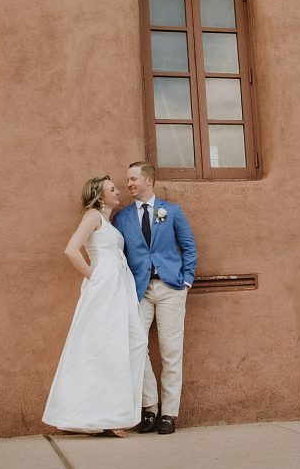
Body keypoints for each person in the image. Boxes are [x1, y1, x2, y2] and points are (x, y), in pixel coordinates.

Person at [42, 176, 147, 436]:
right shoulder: (93, 216)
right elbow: (71, 250)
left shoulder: (108, 222)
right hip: (105, 286)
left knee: (134, 342)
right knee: (106, 345)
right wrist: (93, 276)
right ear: (101, 197)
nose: (118, 191)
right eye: (113, 189)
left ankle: (115, 412)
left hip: (119, 285)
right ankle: (107, 418)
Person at [113, 161, 197, 435]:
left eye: (133, 179)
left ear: (149, 180)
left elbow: (188, 246)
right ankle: (149, 407)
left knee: (171, 352)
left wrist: (186, 280)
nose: (129, 184)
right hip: (139, 290)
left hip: (171, 288)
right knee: (136, 347)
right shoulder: (122, 217)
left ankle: (169, 413)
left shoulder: (171, 211)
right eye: (127, 180)